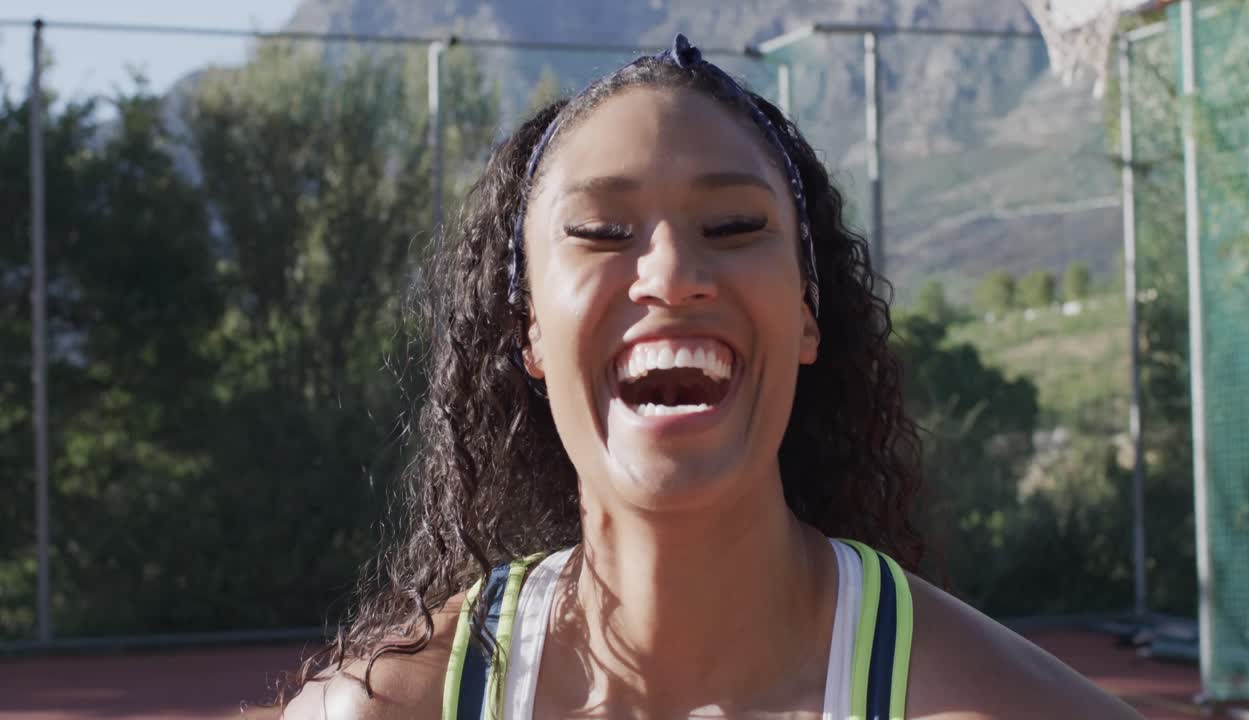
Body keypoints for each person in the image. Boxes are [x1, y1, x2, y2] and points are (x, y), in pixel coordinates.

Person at [283, 34, 1141, 720]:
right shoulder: (391, 710)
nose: (670, 273)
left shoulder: (998, 705)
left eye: (732, 225)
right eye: (600, 231)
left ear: (809, 314)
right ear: (529, 333)